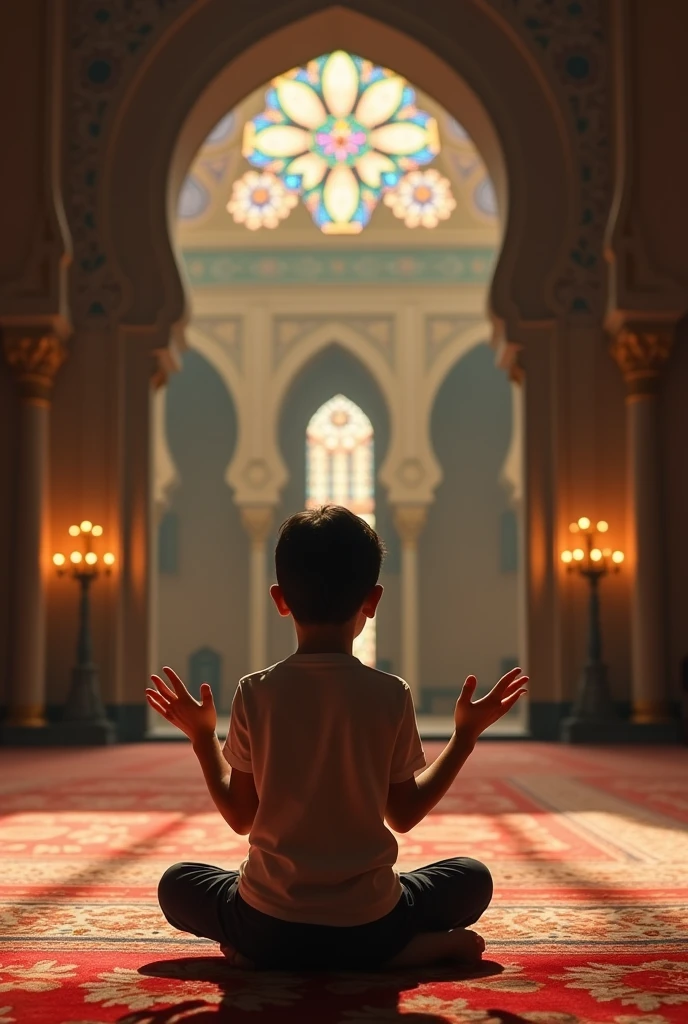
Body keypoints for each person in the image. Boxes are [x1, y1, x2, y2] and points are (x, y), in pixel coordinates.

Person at [146, 505, 528, 972]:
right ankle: (401, 951)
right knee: (471, 877)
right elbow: (404, 815)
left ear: (280, 598)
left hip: (266, 922)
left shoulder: (255, 692)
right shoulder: (390, 694)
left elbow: (241, 817)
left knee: (177, 883)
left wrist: (203, 739)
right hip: (372, 922)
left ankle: (268, 954)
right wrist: (465, 737)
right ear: (373, 600)